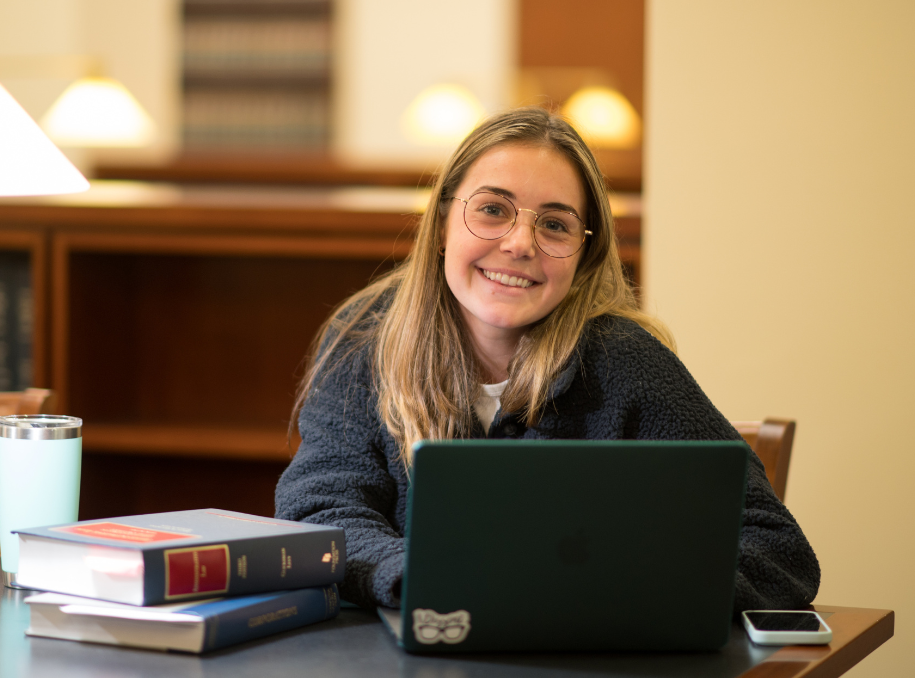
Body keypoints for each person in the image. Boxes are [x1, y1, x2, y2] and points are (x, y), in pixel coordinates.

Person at [275, 106, 820, 613]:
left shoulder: (629, 363)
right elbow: (320, 515)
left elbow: (777, 550)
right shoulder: (364, 338)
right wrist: (430, 578)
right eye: (492, 210)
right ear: (442, 223)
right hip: (417, 645)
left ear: (585, 257)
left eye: (555, 224)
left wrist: (611, 591)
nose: (520, 243)